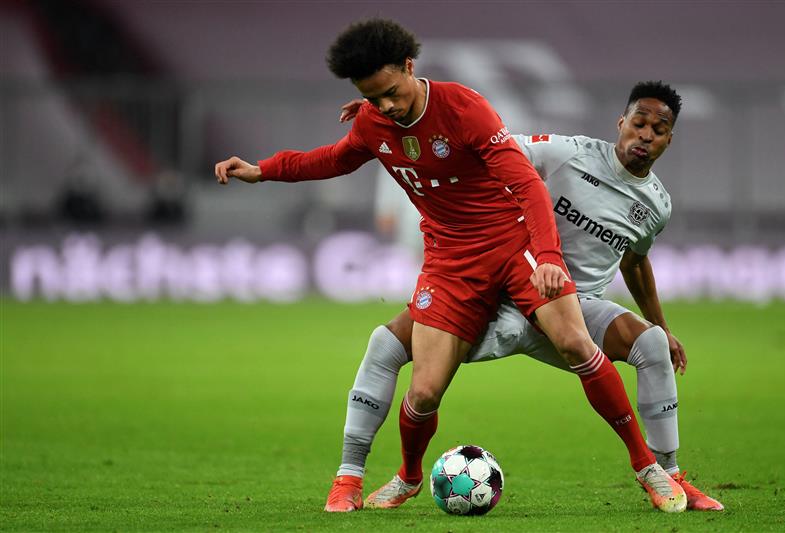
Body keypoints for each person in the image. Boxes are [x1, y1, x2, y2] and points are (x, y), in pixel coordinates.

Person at [214, 19, 685, 515]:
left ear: (409, 68)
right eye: (374, 99)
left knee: (576, 343)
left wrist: (547, 256)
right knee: (423, 391)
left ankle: (647, 467)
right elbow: (333, 159)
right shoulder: (375, 122)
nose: (387, 106)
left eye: (391, 92)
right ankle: (407, 476)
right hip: (450, 262)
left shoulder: (464, 108)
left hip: (512, 247)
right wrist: (262, 170)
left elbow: (526, 185)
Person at [332, 81, 723, 512]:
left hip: (573, 306)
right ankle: (353, 477)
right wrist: (395, 110)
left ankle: (667, 476)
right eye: (639, 123)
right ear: (622, 123)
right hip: (501, 289)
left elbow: (634, 264)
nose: (645, 134)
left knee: (650, 344)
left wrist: (664, 328)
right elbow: (489, 147)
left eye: (658, 129)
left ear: (669, 139)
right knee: (384, 345)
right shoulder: (567, 152)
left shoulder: (657, 205)